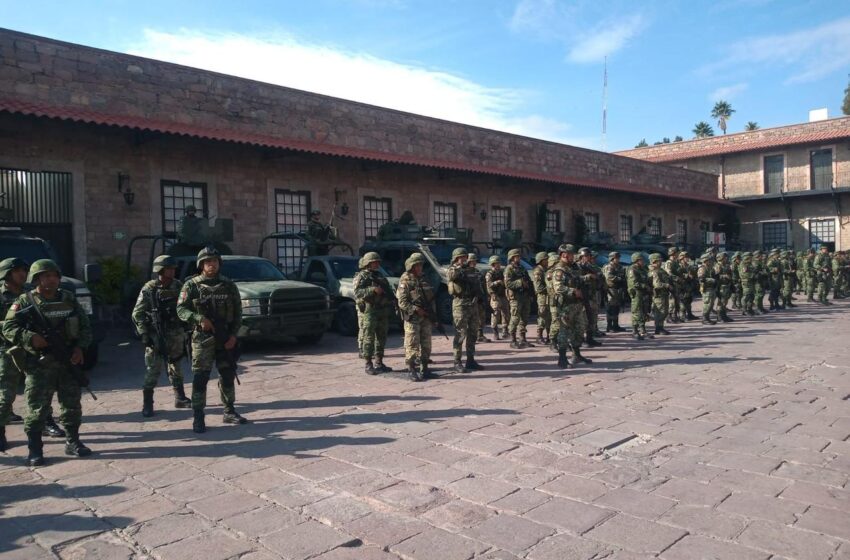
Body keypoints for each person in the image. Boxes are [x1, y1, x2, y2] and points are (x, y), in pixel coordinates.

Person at [3, 259, 93, 466]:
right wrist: (29, 338)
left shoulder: (68, 298)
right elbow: (8, 327)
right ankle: (35, 449)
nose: (51, 280)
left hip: (68, 360)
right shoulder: (25, 302)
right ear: (36, 279)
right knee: (37, 408)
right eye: (46, 276)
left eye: (54, 276)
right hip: (39, 364)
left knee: (71, 405)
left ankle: (73, 442)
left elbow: (85, 326)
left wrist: (80, 348)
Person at [176, 247, 246, 434]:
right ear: (201, 265)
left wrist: (233, 336)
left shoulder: (228, 285)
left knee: (227, 375)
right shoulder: (191, 286)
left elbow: (238, 313)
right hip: (202, 340)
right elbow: (181, 310)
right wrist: (199, 319)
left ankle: (229, 411)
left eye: (214, 261)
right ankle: (198, 417)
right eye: (208, 262)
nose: (211, 265)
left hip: (225, 339)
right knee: (200, 379)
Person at [132, 255, 192, 417]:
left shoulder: (178, 286)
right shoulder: (150, 288)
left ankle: (180, 397)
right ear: (159, 270)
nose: (172, 271)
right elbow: (137, 313)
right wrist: (144, 333)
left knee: (176, 365)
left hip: (175, 332)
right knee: (153, 369)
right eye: (169, 268)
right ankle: (148, 403)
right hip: (156, 335)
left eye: (173, 268)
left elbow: (185, 306)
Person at [0, 258, 28, 451]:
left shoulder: (29, 294)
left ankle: (44, 422)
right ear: (7, 274)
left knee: (40, 388)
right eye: (17, 271)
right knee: (6, 391)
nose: (22, 274)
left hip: (31, 347)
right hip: (7, 348)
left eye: (24, 270)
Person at [352, 252, 395, 374]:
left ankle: (379, 362)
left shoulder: (379, 275)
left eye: (377, 262)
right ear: (368, 263)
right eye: (374, 262)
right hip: (370, 310)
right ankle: (368, 364)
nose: (377, 264)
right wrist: (372, 290)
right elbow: (357, 292)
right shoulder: (362, 276)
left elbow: (388, 291)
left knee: (381, 338)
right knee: (369, 338)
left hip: (382, 310)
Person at [396, 253, 435, 382]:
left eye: (421, 265)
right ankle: (412, 369)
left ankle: (425, 369)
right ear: (411, 266)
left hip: (426, 317)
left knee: (426, 343)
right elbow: (402, 302)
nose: (420, 267)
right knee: (412, 344)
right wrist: (416, 309)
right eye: (417, 265)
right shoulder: (405, 280)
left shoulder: (424, 279)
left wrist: (432, 315)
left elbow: (431, 298)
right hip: (413, 318)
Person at [551, 244, 590, 368]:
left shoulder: (573, 268)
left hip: (577, 304)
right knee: (564, 331)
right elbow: (558, 287)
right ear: (564, 255)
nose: (574, 256)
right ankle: (562, 359)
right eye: (571, 254)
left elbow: (578, 279)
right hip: (566, 306)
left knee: (579, 329)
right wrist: (573, 291)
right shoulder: (559, 270)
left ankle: (576, 355)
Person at [447, 247, 482, 372]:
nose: (463, 259)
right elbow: (451, 276)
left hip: (472, 304)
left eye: (464, 257)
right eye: (461, 257)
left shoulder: (471, 270)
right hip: (460, 304)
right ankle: (457, 361)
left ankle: (470, 360)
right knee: (460, 333)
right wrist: (459, 266)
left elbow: (477, 280)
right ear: (456, 258)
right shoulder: (452, 269)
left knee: (473, 333)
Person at [504, 248, 534, 349]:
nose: (519, 258)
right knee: (515, 318)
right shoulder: (509, 269)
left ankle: (523, 339)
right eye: (517, 256)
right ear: (512, 258)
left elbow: (528, 280)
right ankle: (513, 340)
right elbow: (508, 284)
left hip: (524, 296)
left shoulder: (522, 268)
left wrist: (530, 293)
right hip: (516, 297)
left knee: (524, 318)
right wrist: (520, 283)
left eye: (519, 256)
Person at [577, 248, 602, 347]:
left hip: (591, 295)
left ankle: (590, 338)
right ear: (581, 257)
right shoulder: (577, 267)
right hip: (582, 296)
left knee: (592, 317)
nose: (589, 258)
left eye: (589, 256)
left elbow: (598, 273)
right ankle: (581, 339)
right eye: (587, 256)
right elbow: (576, 279)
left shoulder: (589, 266)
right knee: (583, 319)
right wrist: (588, 276)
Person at [627, 253, 652, 340]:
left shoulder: (642, 269)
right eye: (641, 260)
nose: (643, 261)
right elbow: (634, 283)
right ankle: (635, 331)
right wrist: (645, 286)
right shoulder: (632, 269)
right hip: (636, 293)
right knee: (636, 311)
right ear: (636, 260)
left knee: (643, 311)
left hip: (643, 293)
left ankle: (643, 330)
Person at [467, 253, 490, 343]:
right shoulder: (465, 272)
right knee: (472, 318)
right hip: (471, 299)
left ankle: (480, 335)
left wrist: (486, 295)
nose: (474, 262)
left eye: (475, 261)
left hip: (480, 298)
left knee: (482, 317)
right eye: (472, 261)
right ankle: (472, 336)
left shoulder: (478, 272)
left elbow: (483, 285)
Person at [485, 255, 509, 341]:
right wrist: (497, 282)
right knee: (495, 314)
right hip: (495, 296)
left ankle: (505, 331)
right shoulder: (489, 274)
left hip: (503, 295)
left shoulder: (501, 272)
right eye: (496, 263)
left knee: (506, 313)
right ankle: (495, 332)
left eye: (499, 263)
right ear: (493, 264)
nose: (498, 265)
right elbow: (489, 285)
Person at [602, 251, 626, 333]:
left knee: (616, 308)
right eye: (616, 258)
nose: (618, 259)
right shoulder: (609, 266)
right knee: (610, 308)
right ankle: (609, 326)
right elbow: (609, 277)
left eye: (618, 258)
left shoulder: (619, 266)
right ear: (612, 258)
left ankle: (616, 325)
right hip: (611, 289)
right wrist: (619, 279)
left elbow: (623, 275)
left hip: (618, 289)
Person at [648, 253, 672, 335]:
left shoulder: (660, 270)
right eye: (659, 261)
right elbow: (657, 284)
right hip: (658, 294)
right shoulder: (654, 271)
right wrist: (667, 285)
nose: (661, 262)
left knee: (664, 311)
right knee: (660, 312)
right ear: (654, 261)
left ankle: (660, 327)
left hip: (664, 293)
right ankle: (658, 328)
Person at [531, 252, 551, 344]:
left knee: (549, 317)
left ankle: (549, 336)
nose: (548, 261)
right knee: (542, 316)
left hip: (548, 296)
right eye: (546, 259)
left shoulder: (545, 269)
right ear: (541, 260)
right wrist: (550, 288)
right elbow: (538, 288)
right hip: (542, 297)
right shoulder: (538, 271)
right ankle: (539, 336)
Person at [545, 251, 561, 350]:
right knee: (556, 322)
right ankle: (552, 342)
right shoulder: (549, 274)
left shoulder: (558, 272)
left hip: (561, 300)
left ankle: (560, 341)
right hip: (554, 301)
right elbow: (552, 286)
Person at [663, 247, 682, 323]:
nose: (678, 254)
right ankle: (669, 316)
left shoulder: (676, 262)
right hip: (671, 284)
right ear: (674, 254)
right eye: (677, 253)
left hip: (676, 285)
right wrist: (677, 278)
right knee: (672, 301)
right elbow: (669, 273)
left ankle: (675, 316)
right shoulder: (669, 263)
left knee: (677, 301)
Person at [698, 252, 718, 325]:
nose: (711, 261)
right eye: (709, 260)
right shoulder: (702, 268)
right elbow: (701, 279)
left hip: (711, 288)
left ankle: (707, 317)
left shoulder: (710, 268)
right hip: (706, 288)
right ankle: (704, 318)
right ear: (705, 260)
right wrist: (711, 280)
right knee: (707, 303)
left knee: (711, 303)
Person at [715, 252, 735, 322]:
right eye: (725, 257)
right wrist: (725, 276)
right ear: (721, 258)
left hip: (727, 285)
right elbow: (716, 276)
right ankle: (719, 316)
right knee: (721, 302)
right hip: (721, 286)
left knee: (725, 302)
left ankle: (724, 315)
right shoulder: (718, 266)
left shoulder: (726, 265)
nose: (726, 259)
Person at [678, 251, 698, 321]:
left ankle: (689, 314)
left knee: (689, 300)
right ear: (681, 258)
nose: (687, 258)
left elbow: (693, 274)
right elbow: (678, 275)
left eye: (687, 257)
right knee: (683, 301)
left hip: (689, 286)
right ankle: (682, 316)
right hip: (682, 286)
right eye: (686, 257)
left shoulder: (688, 266)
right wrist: (687, 275)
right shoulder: (678, 266)